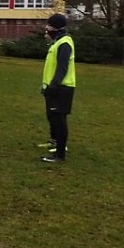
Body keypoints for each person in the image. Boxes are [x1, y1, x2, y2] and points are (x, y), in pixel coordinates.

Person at [40, 13, 75, 163]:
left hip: (62, 88)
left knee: (60, 120)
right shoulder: (57, 42)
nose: (47, 28)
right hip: (53, 87)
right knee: (52, 116)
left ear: (57, 27)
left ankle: (60, 154)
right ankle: (55, 142)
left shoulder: (65, 43)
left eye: (49, 25)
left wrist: (54, 86)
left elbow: (62, 68)